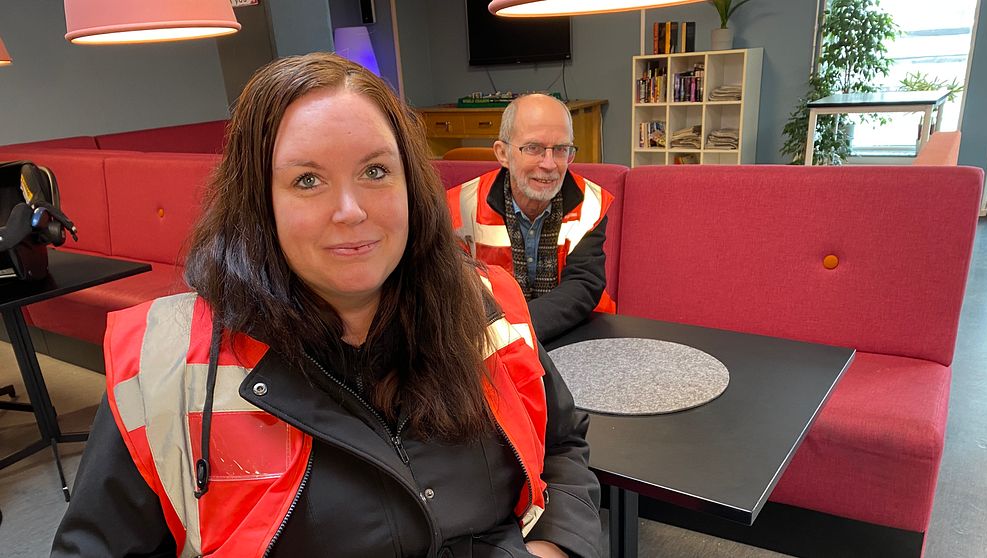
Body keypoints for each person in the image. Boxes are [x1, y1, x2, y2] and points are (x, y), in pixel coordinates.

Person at [51, 53, 601, 558]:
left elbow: (563, 444)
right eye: (308, 180)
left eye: (375, 171)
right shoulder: (164, 368)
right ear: (257, 201)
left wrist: (555, 547)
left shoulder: (486, 304)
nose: (350, 211)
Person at [446, 94, 615, 344]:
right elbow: (456, 290)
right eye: (533, 148)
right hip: (489, 339)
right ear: (502, 153)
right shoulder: (457, 206)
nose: (549, 164)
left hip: (576, 332)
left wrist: (517, 331)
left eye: (560, 149)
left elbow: (582, 286)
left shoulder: (590, 202)